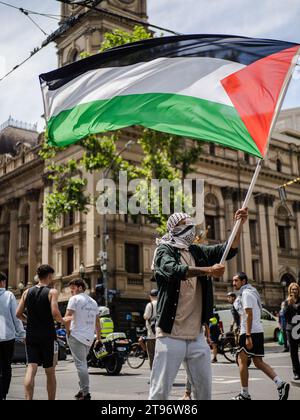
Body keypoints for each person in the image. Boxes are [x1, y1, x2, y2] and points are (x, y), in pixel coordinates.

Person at [149, 208, 248, 400]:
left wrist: (239, 225)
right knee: (160, 392)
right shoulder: (164, 250)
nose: (191, 228)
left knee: (203, 392)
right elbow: (173, 270)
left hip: (196, 336)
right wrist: (208, 271)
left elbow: (227, 249)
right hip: (171, 335)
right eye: (185, 224)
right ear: (174, 228)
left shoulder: (196, 250)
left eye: (191, 224)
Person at [232, 272, 290, 400]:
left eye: (236, 280)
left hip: (249, 332)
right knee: (258, 362)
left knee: (241, 360)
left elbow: (248, 315)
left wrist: (247, 335)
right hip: (257, 330)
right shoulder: (252, 292)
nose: (233, 283)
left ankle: (244, 394)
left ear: (243, 281)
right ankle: (280, 383)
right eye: (233, 281)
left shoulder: (246, 293)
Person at [16, 264, 63, 401]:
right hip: (48, 335)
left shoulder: (26, 292)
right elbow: (55, 313)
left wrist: (29, 320)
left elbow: (18, 314)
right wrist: (64, 321)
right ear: (49, 276)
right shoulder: (52, 292)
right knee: (50, 371)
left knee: (31, 367)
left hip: (31, 334)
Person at [63, 279, 101, 400]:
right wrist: (98, 338)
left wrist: (67, 331)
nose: (71, 292)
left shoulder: (74, 299)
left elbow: (68, 316)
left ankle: (86, 393)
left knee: (81, 365)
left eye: (72, 288)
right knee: (83, 363)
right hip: (89, 337)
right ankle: (82, 390)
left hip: (76, 335)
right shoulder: (93, 302)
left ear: (80, 287)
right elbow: (97, 321)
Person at [0, 272, 25, 400]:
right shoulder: (9, 295)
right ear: (3, 282)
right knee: (6, 366)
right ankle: (3, 393)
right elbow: (16, 317)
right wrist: (22, 334)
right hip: (7, 337)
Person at [283, 283, 300, 380]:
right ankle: (297, 372)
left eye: (296, 289)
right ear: (289, 290)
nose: (294, 291)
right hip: (291, 328)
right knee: (293, 352)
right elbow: (285, 315)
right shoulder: (287, 301)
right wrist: (289, 304)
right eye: (292, 289)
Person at [143, 289, 158, 370]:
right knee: (160, 357)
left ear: (150, 296)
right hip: (161, 335)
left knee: (151, 356)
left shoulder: (150, 305)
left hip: (151, 335)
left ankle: (153, 376)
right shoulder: (161, 304)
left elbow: (146, 316)